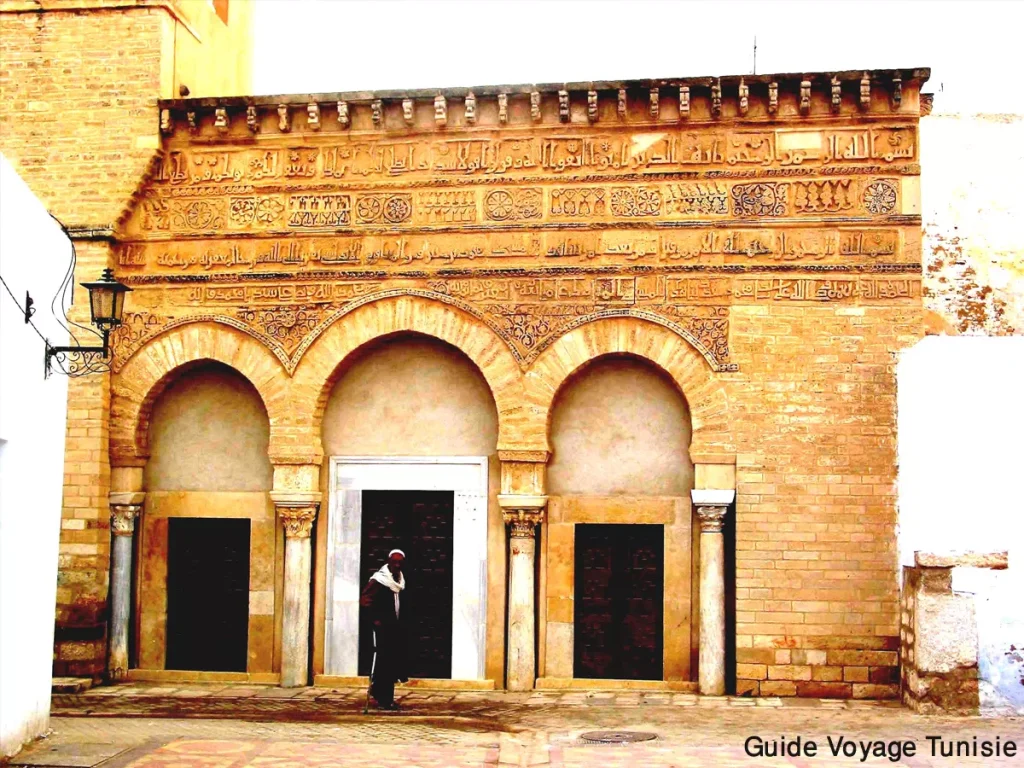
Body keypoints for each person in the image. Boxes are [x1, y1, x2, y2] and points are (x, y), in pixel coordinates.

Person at [360, 548, 409, 710]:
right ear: (388, 562)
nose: (397, 565)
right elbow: (365, 601)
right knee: (384, 663)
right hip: (382, 629)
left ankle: (384, 695)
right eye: (394, 562)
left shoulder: (400, 581)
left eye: (399, 562)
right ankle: (383, 697)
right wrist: (375, 620)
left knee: (392, 663)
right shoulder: (379, 580)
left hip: (395, 629)